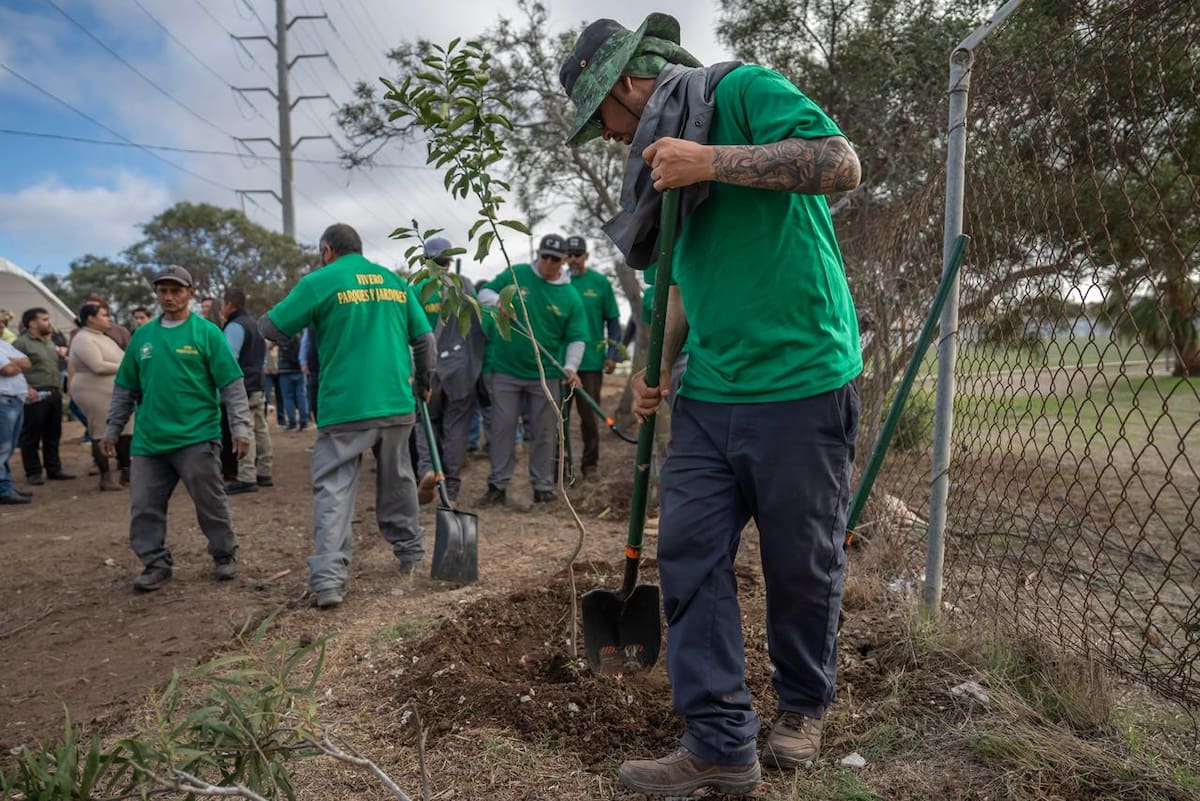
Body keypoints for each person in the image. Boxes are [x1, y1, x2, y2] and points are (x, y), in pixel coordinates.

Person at [560, 13, 863, 796]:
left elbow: (840, 163)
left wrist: (713, 162)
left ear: (630, 86)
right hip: (710, 390)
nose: (610, 143)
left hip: (802, 377)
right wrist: (650, 368)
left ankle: (801, 704)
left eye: (603, 126)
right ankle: (720, 738)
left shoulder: (742, 91)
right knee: (688, 554)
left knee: (801, 563)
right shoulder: (664, 167)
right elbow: (682, 283)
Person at [258, 223, 434, 609]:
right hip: (395, 401)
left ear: (326, 251)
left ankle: (329, 582)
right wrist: (423, 381)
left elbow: (271, 327)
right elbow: (424, 339)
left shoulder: (321, 281)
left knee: (335, 489)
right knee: (399, 478)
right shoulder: (394, 281)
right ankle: (410, 555)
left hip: (345, 406)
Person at [103, 265, 252, 592]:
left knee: (210, 502)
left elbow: (232, 385)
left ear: (190, 292)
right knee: (143, 507)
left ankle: (224, 554)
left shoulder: (207, 333)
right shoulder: (142, 336)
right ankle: (155, 563)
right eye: (163, 291)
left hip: (196, 437)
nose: (169, 297)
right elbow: (125, 388)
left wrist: (241, 428)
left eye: (176, 291)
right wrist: (112, 428)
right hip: (149, 440)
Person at [477, 234, 588, 506]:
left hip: (546, 374)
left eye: (554, 259)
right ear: (538, 254)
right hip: (506, 370)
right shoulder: (517, 275)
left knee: (545, 431)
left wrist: (571, 366)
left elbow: (577, 337)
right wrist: (498, 303)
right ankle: (497, 485)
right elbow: (484, 292)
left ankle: (542, 486)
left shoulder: (570, 296)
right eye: (544, 256)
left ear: (563, 261)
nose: (548, 262)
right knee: (502, 429)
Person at [412, 237, 486, 505]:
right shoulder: (463, 286)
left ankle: (428, 470)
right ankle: (451, 491)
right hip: (459, 370)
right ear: (450, 260)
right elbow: (478, 328)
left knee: (424, 424)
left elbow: (409, 333)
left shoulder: (417, 287)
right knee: (457, 429)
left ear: (425, 260)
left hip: (427, 369)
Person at [565, 235, 623, 477]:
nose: (573, 259)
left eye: (578, 254)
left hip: (590, 362)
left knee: (589, 417)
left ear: (586, 256)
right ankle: (559, 466)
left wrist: (612, 354)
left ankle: (590, 466)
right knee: (558, 418)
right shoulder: (559, 281)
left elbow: (613, 321)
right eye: (569, 254)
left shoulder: (599, 283)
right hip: (559, 362)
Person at [68, 302, 133, 491]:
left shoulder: (104, 338)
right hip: (93, 391)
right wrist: (127, 368)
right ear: (91, 318)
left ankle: (126, 471)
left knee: (127, 430)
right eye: (104, 315)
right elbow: (97, 366)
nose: (108, 319)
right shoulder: (83, 339)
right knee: (101, 431)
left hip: (117, 391)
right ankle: (106, 477)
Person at [14, 308, 75, 485]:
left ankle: (54, 469)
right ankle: (33, 472)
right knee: (32, 435)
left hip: (54, 393)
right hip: (35, 395)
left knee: (53, 433)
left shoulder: (49, 343)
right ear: (32, 323)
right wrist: (27, 388)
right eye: (45, 319)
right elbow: (16, 370)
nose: (49, 323)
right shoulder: (21, 344)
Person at [220, 288, 273, 493]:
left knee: (245, 429)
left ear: (230, 304)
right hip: (258, 383)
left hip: (243, 386)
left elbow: (228, 360)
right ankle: (265, 472)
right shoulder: (255, 324)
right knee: (261, 429)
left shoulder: (234, 326)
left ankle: (247, 476)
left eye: (223, 305)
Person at [0, 338, 34, 504]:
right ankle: (3, 489)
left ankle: (6, 485)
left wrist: (14, 363)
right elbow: (6, 369)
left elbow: (28, 363)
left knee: (9, 447)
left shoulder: (4, 344)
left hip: (15, 400)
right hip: (3, 401)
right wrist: (14, 363)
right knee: (3, 448)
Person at [276, 332, 308, 431]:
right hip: (298, 369)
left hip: (284, 370)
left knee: (287, 397)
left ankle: (292, 422)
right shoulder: (298, 336)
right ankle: (304, 421)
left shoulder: (280, 337)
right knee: (301, 396)